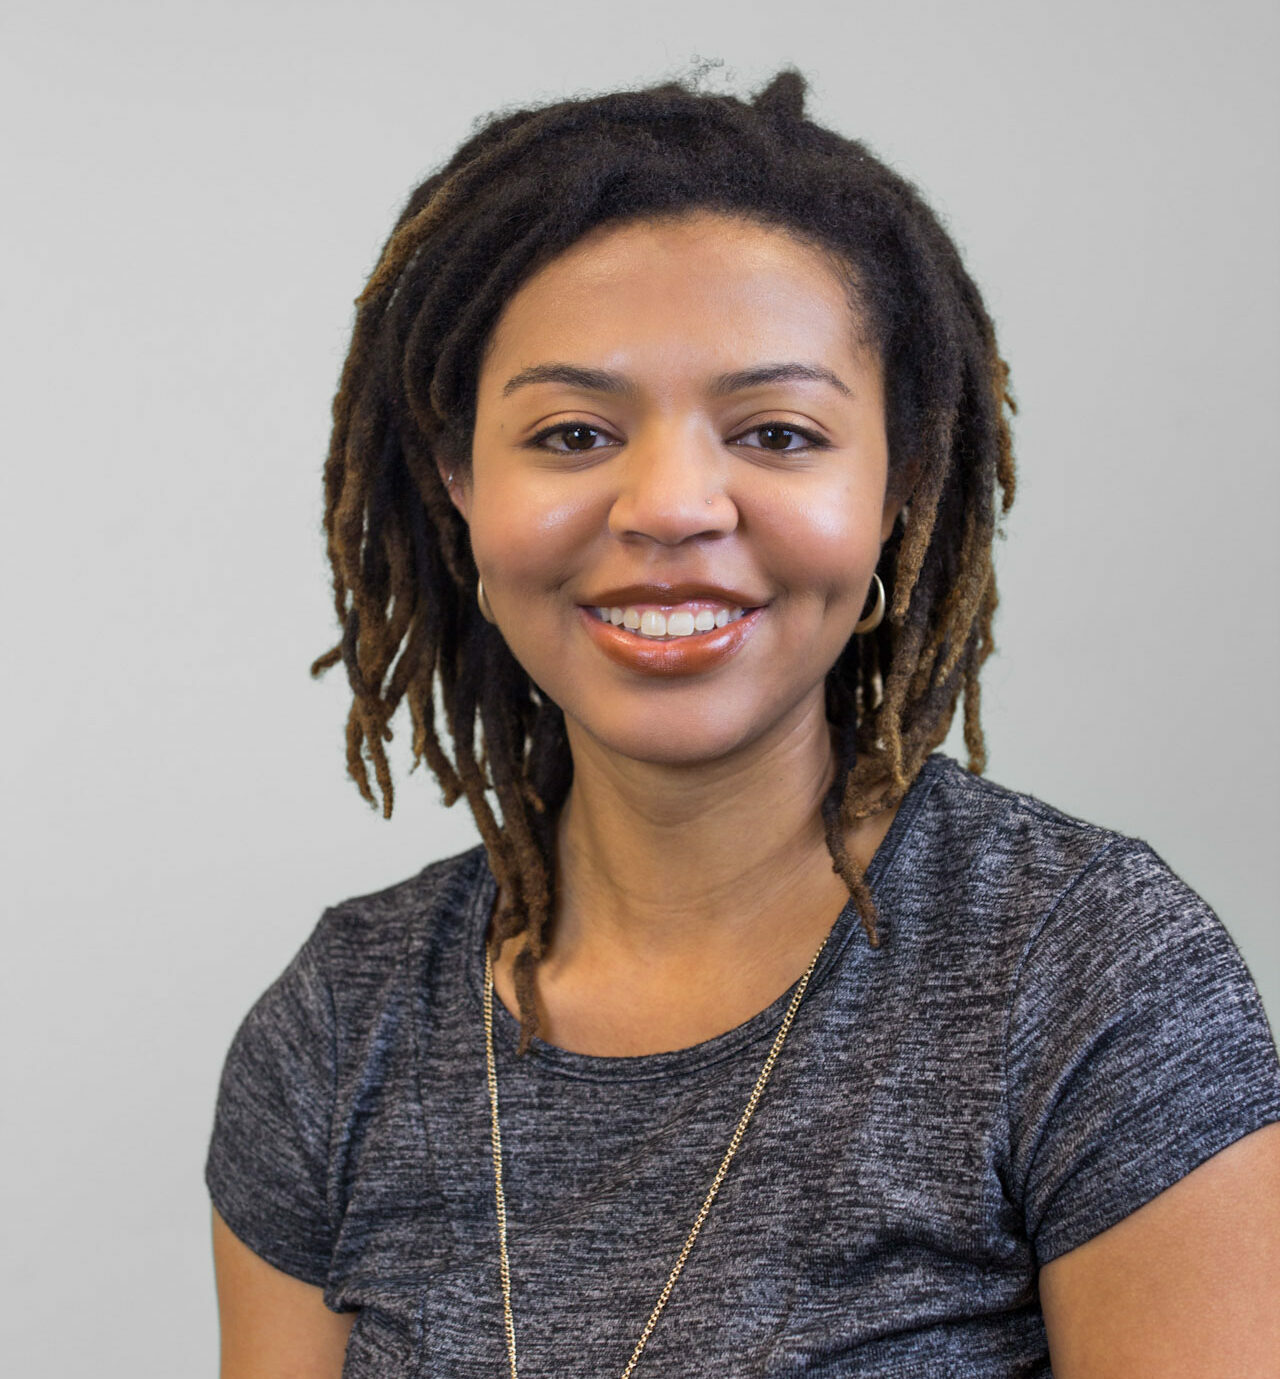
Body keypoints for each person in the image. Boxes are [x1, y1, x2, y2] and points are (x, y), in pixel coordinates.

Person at [206, 69, 1280, 1377]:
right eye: (571, 432)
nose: (670, 506)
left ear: (899, 482)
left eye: (777, 431)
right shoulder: (338, 1031)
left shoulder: (1089, 979)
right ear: (459, 487)